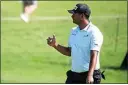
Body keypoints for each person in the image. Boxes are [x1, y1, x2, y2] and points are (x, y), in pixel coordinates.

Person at [47, 3, 103, 84]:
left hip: (90, 75)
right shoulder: (73, 31)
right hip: (74, 75)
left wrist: (90, 75)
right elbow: (69, 52)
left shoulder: (94, 32)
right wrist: (55, 45)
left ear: (82, 16)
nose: (71, 16)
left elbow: (94, 55)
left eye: (74, 14)